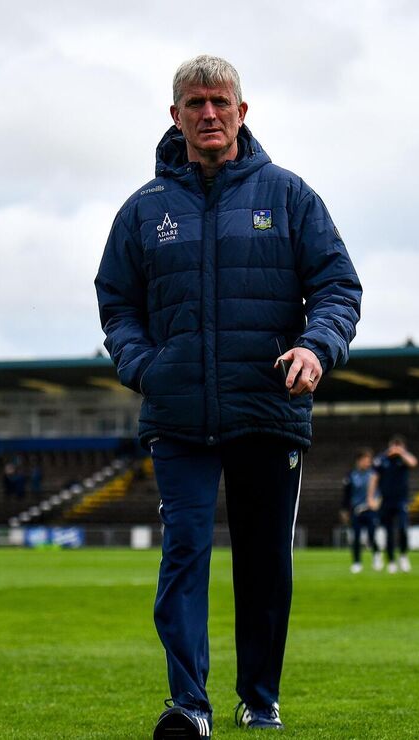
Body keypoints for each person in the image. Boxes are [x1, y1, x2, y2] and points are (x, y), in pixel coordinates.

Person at [95, 54, 362, 738]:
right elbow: (116, 302)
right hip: (179, 412)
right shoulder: (145, 210)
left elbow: (337, 287)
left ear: (242, 112)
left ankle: (260, 697)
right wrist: (145, 366)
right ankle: (189, 704)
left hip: (267, 410)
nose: (207, 113)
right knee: (183, 551)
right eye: (194, 103)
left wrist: (315, 346)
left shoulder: (288, 196)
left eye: (220, 102)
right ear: (175, 115)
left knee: (263, 561)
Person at [370, 435, 419, 573]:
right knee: (388, 532)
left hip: (401, 500)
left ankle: (403, 555)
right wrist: (371, 498)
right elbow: (374, 479)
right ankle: (391, 561)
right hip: (385, 501)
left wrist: (402, 453)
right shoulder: (381, 460)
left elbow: (413, 462)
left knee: (403, 528)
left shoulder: (403, 460)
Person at [340, 448, 381, 574]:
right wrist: (344, 511)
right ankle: (357, 563)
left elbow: (380, 492)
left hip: (369, 510)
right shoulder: (351, 476)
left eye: (369, 460)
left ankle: (376, 556)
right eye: (365, 460)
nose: (368, 463)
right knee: (356, 538)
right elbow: (346, 495)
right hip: (356, 511)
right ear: (359, 461)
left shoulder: (373, 475)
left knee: (371, 536)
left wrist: (377, 503)